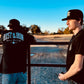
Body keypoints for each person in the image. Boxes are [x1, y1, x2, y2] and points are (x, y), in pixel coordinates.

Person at [1, 19, 36, 84]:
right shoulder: (24, 34)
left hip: (7, 69)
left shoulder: (4, 33)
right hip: (21, 68)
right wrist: (22, 31)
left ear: (9, 26)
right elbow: (33, 39)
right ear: (18, 26)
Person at [58, 9, 84, 84]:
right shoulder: (75, 36)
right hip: (74, 78)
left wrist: (64, 76)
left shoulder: (81, 37)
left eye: (69, 20)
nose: (66, 23)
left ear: (79, 20)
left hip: (79, 80)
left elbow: (78, 67)